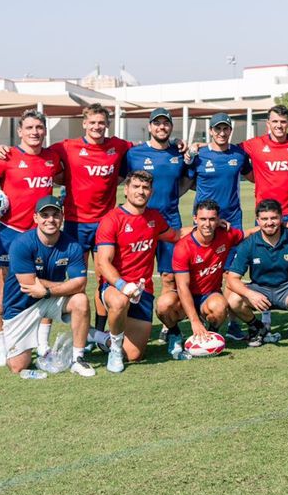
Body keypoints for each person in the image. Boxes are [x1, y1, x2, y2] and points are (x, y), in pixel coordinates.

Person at [0, 103, 131, 345]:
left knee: (103, 278)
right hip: (74, 223)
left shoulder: (119, 146)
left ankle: (98, 334)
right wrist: (0, 149)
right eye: (92, 122)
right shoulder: (65, 148)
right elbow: (43, 160)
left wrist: (187, 146)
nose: (97, 126)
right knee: (65, 280)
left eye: (101, 122)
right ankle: (47, 340)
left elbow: (143, 150)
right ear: (84, 123)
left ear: (107, 125)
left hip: (105, 223)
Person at [0, 109, 61, 367]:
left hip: (44, 235)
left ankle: (43, 345)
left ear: (44, 131)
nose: (34, 132)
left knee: (47, 289)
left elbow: (69, 174)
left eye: (39, 128)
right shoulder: (6, 157)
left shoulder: (53, 157)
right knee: (4, 288)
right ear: (20, 131)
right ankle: (0, 346)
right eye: (29, 128)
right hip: (12, 234)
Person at [0, 196, 94, 377]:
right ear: (36, 218)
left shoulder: (73, 245)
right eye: (45, 215)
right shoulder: (21, 244)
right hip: (20, 307)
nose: (50, 220)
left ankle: (78, 359)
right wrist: (66, 286)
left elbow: (80, 284)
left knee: (80, 300)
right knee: (18, 367)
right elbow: (29, 284)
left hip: (48, 298)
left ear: (62, 217)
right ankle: (15, 346)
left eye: (55, 215)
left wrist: (49, 291)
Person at [94, 171, 178, 373]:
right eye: (136, 187)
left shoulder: (154, 218)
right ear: (126, 190)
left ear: (151, 192)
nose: (141, 191)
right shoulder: (112, 219)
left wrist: (205, 227)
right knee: (120, 301)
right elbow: (103, 263)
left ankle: (96, 336)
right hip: (116, 288)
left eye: (145, 188)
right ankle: (114, 348)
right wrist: (123, 285)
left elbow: (174, 236)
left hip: (143, 292)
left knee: (135, 355)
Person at [226, 199, 288, 346]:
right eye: (264, 219)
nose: (269, 223)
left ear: (281, 218)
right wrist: (250, 294)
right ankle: (257, 327)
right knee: (233, 300)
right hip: (260, 289)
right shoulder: (249, 244)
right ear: (258, 220)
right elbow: (232, 278)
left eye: (273, 218)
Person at [126, 109, 192, 314]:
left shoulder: (178, 153)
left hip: (170, 221)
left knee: (169, 275)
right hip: (139, 222)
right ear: (150, 126)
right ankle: (132, 319)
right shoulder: (133, 153)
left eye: (165, 123)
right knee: (134, 274)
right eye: (157, 123)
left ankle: (167, 323)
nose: (161, 127)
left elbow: (186, 181)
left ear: (171, 127)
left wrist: (171, 197)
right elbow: (121, 181)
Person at [159, 199, 244, 358]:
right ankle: (175, 335)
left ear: (218, 220)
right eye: (203, 219)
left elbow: (249, 234)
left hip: (208, 296)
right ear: (195, 219)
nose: (207, 224)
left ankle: (209, 336)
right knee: (163, 305)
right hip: (184, 296)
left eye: (212, 219)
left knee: (219, 306)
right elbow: (182, 287)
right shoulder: (183, 247)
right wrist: (194, 321)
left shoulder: (226, 234)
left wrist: (282, 226)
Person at [241, 104, 288, 232]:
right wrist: (202, 145)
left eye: (283, 121)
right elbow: (228, 150)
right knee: (263, 252)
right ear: (268, 124)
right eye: (275, 121)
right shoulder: (255, 144)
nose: (279, 125)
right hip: (265, 214)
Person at [187, 112, 252, 231]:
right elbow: (187, 183)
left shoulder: (239, 154)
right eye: (218, 129)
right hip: (206, 217)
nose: (222, 133)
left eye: (225, 128)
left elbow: (253, 177)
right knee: (206, 250)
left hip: (232, 217)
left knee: (234, 250)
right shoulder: (199, 154)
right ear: (210, 131)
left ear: (230, 130)